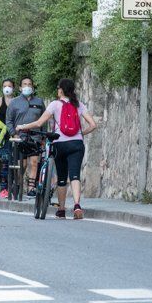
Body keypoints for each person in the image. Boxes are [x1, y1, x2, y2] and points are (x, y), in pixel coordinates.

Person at [17, 79, 97, 219]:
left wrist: (22, 127)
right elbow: (93, 125)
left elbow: (39, 122)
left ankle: (61, 210)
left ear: (60, 90)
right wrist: (80, 134)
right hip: (77, 144)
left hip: (60, 143)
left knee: (61, 178)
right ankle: (77, 205)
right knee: (74, 175)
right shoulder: (79, 105)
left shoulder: (54, 104)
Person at [5, 76, 45, 198]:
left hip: (35, 137)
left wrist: (43, 136)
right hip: (20, 138)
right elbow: (9, 120)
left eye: (29, 84)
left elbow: (44, 120)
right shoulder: (14, 102)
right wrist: (13, 133)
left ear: (32, 87)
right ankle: (17, 184)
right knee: (21, 165)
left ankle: (31, 188)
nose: (27, 86)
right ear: (20, 87)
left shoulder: (39, 102)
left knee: (34, 162)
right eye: (25, 84)